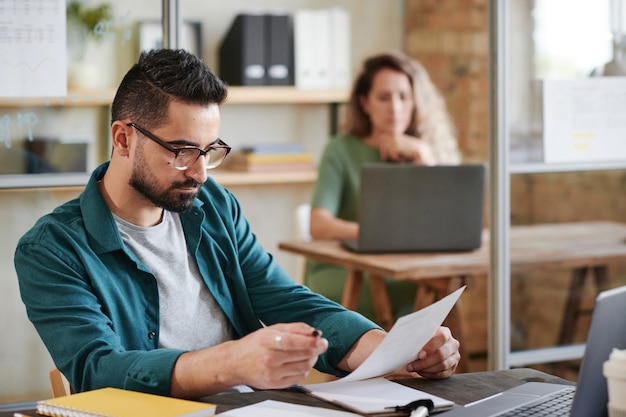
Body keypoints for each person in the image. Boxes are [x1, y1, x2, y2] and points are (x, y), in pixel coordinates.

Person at [14, 49, 460, 399]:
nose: (201, 172)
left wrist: (390, 350)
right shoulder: (51, 249)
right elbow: (98, 370)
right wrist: (231, 363)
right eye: (183, 151)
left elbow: (287, 298)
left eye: (210, 150)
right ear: (123, 138)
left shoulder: (214, 206)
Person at [306, 51, 461, 321]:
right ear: (365, 103)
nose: (395, 108)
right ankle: (397, 362)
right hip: (346, 270)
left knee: (442, 286)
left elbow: (447, 226)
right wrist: (380, 234)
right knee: (422, 290)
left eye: (404, 97)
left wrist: (424, 157)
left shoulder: (421, 153)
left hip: (406, 268)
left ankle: (423, 363)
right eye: (384, 97)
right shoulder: (340, 150)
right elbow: (318, 225)